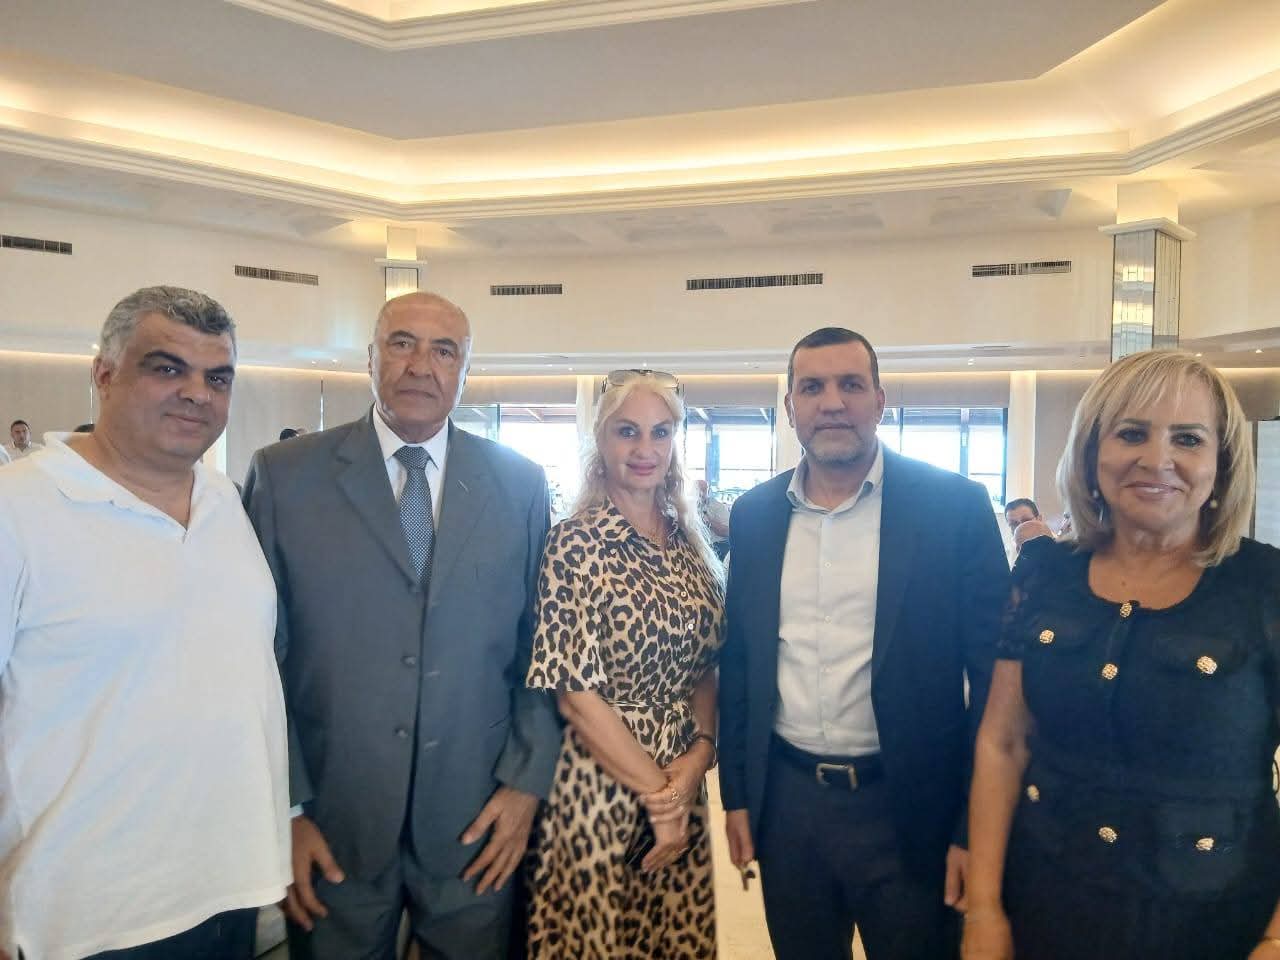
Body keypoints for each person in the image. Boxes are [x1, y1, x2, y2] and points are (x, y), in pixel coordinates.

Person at [242, 291, 560, 960]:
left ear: (465, 372)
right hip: (333, 822)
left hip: (477, 821)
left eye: (444, 351)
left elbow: (541, 646)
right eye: (402, 343)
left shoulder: (519, 484)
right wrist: (286, 809)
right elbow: (255, 656)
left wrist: (526, 784)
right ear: (370, 358)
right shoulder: (285, 477)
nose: (422, 365)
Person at [0, 286, 290, 959]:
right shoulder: (18, 508)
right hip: (79, 916)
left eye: (217, 378)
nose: (196, 394)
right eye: (167, 368)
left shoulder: (225, 500)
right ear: (104, 374)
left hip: (228, 885)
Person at [963, 350, 1280, 960]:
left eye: (1188, 439)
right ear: (1091, 454)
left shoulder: (1266, 586)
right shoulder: (1043, 573)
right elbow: (1003, 741)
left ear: (1221, 463)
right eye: (1131, 433)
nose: (1156, 459)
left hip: (1217, 921)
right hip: (1048, 901)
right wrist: (984, 909)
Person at [719, 327, 1009, 960]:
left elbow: (995, 681)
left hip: (910, 807)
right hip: (789, 808)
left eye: (850, 384)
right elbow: (741, 662)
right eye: (812, 388)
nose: (832, 402)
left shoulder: (953, 508)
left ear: (880, 401)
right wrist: (737, 796)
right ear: (790, 406)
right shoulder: (755, 515)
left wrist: (973, 828)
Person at [525, 369, 725, 958]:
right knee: (598, 944)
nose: (645, 449)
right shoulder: (574, 543)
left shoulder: (689, 544)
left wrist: (699, 756)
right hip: (601, 788)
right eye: (627, 431)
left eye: (660, 432)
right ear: (600, 441)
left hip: (682, 777)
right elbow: (574, 696)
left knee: (675, 941)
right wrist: (661, 798)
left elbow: (705, 665)